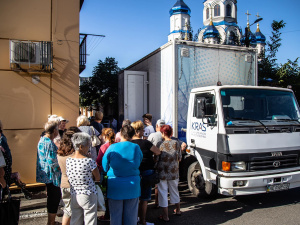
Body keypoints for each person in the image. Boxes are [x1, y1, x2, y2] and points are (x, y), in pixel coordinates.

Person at [102, 125, 143, 225]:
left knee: (115, 216)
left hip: (115, 185)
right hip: (133, 185)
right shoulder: (136, 147)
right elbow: (140, 160)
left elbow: (104, 166)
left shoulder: (112, 147)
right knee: (131, 217)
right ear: (133, 135)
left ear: (120, 134)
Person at [66, 132, 100, 225]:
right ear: (81, 146)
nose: (89, 148)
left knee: (75, 219)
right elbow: (97, 177)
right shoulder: (89, 161)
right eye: (88, 146)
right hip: (88, 193)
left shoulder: (68, 160)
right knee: (90, 220)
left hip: (74, 193)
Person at [131, 120, 161, 225]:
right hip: (147, 171)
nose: (144, 131)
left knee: (134, 199)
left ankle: (133, 220)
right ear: (137, 131)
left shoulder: (129, 143)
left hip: (134, 172)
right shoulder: (146, 143)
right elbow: (158, 151)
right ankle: (143, 221)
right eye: (142, 129)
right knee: (144, 199)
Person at [36, 121, 62, 225]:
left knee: (51, 197)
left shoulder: (42, 140)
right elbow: (52, 161)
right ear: (54, 131)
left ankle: (51, 221)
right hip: (52, 175)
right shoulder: (49, 142)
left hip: (44, 173)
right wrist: (62, 167)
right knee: (54, 198)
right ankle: (51, 222)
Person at [155, 125, 182, 222]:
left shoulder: (159, 144)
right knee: (174, 190)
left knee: (163, 192)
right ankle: (178, 210)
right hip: (174, 171)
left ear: (162, 133)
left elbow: (156, 159)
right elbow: (179, 158)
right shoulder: (176, 143)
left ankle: (165, 216)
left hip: (162, 172)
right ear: (171, 133)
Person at [57, 127, 81, 225]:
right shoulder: (74, 155)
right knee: (74, 211)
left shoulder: (60, 154)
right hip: (74, 185)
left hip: (63, 183)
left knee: (67, 210)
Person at [96, 128, 115, 222]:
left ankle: (107, 214)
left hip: (105, 172)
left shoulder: (104, 147)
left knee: (107, 194)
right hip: (115, 172)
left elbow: (99, 160)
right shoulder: (116, 145)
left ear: (105, 136)